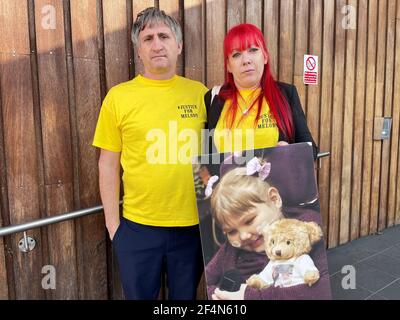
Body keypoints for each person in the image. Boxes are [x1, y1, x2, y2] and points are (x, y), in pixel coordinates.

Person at [92, 7, 207, 300]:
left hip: (192, 228)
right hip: (138, 229)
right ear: (138, 50)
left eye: (164, 36)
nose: (157, 44)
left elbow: (223, 151)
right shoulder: (118, 97)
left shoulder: (202, 95)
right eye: (148, 38)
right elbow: (107, 164)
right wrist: (114, 227)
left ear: (178, 46)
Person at [205, 156, 331, 300]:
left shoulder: (304, 229)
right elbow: (207, 281)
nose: (243, 236)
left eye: (249, 220)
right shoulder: (230, 250)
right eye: (232, 231)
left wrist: (252, 296)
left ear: (274, 199)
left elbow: (324, 290)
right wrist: (218, 295)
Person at [204, 23, 318, 159]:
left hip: (274, 180)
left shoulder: (286, 94)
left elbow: (311, 150)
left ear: (264, 56)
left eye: (253, 50)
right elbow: (204, 160)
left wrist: (291, 152)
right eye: (236, 54)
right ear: (228, 65)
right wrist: (204, 179)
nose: (246, 60)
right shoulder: (213, 98)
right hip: (228, 180)